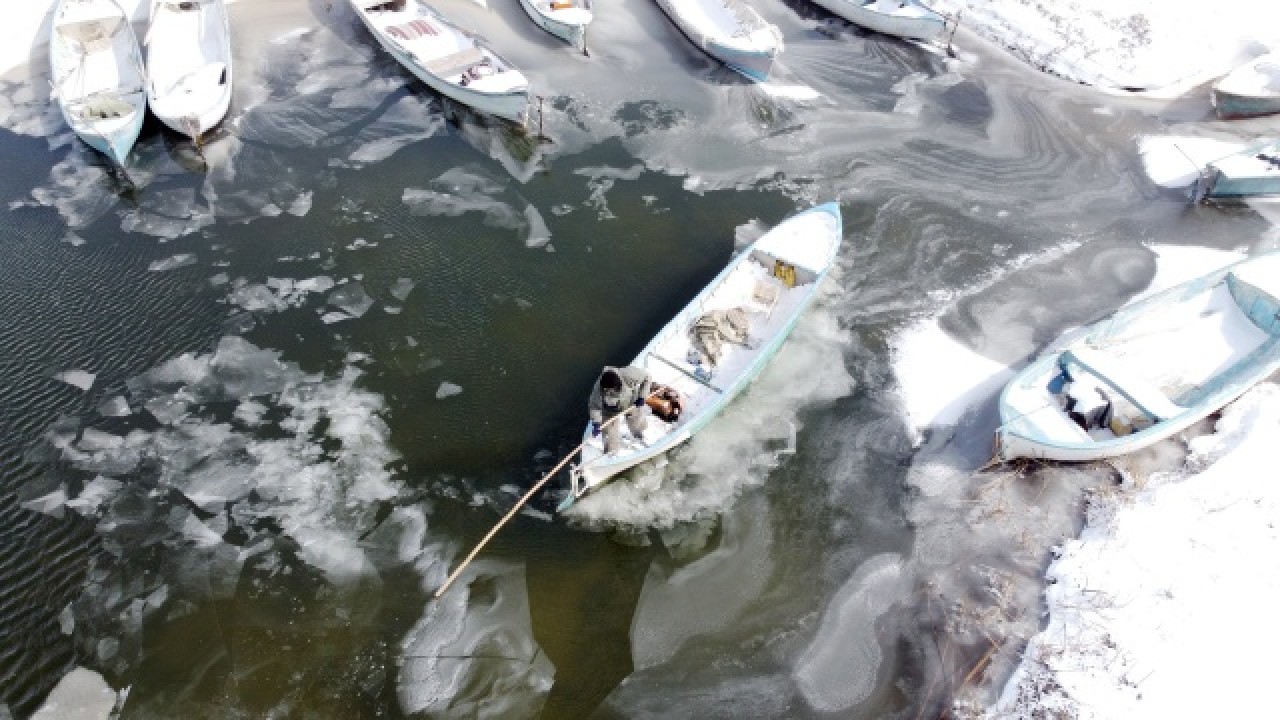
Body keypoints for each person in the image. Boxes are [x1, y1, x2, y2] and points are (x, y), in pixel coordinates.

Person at [588, 366, 651, 455]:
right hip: (608, 411)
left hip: (630, 402)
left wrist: (642, 396)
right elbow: (594, 407)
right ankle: (611, 454)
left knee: (636, 420)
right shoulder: (598, 390)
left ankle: (640, 433)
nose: (611, 393)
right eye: (608, 391)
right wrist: (596, 423)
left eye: (613, 391)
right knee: (609, 434)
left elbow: (647, 378)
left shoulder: (629, 374)